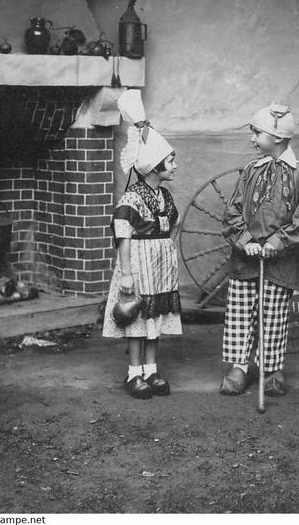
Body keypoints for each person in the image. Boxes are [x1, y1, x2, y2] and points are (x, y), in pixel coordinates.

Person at [220, 103, 299, 396]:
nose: (252, 138)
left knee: (273, 314)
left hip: (280, 262)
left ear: (276, 137)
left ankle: (272, 369)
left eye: (256, 133)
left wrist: (277, 243)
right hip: (246, 257)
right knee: (239, 313)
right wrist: (246, 240)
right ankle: (239, 366)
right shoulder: (251, 170)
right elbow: (232, 212)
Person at [102, 90, 182, 399]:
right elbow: (123, 234)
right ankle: (134, 372)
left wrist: (166, 258)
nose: (174, 165)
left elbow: (169, 227)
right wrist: (127, 274)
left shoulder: (164, 196)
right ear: (153, 165)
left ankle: (152, 369)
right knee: (136, 319)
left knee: (154, 318)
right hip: (137, 264)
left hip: (159, 267)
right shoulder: (133, 196)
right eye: (170, 160)